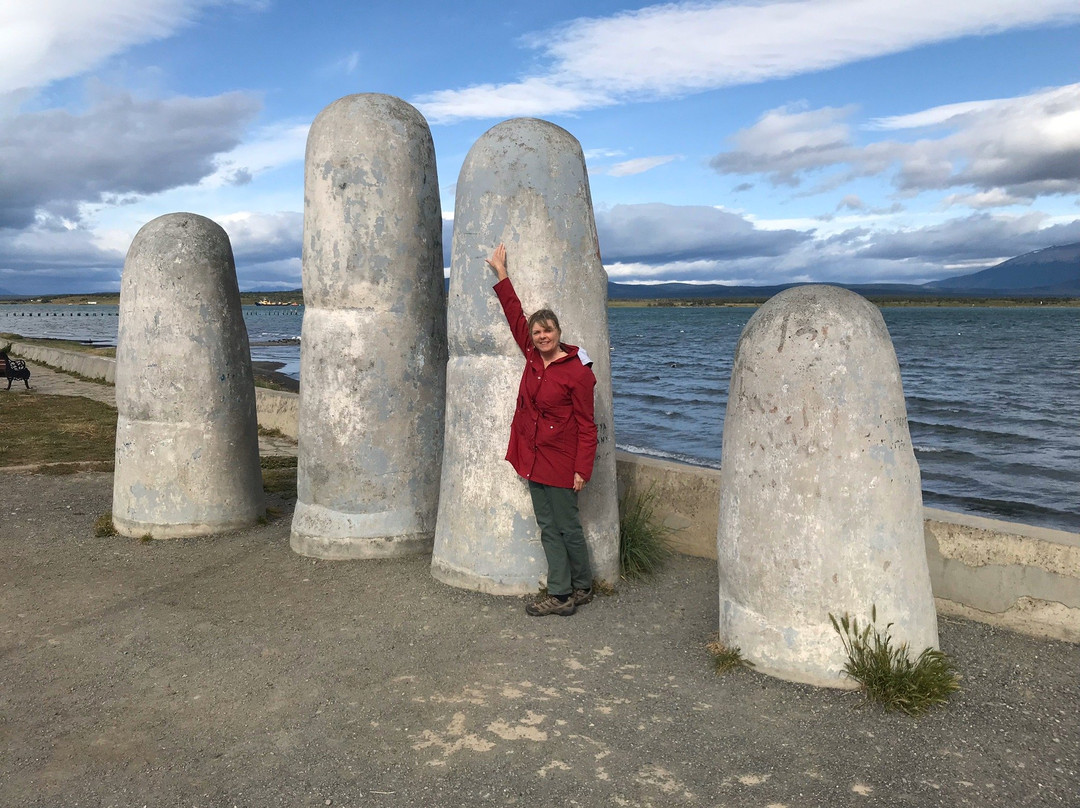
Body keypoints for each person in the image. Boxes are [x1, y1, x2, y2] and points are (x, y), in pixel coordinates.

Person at [486, 243, 597, 617]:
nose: (540, 336)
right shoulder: (532, 356)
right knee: (552, 525)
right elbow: (515, 315)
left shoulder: (578, 373)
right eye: (536, 332)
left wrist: (583, 468)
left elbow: (586, 425)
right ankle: (580, 587)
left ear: (558, 332)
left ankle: (562, 595)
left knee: (563, 527)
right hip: (533, 454)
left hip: (562, 460)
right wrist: (502, 274)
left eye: (547, 331)